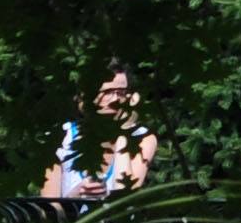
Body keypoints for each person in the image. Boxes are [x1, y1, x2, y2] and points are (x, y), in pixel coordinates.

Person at [45, 68, 158, 200]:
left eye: (121, 92)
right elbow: (49, 211)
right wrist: (77, 195)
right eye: (107, 92)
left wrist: (123, 132)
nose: (115, 99)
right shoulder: (60, 138)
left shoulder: (143, 138)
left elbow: (125, 199)